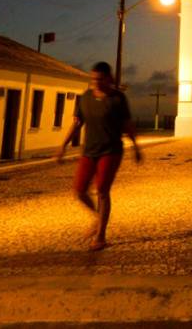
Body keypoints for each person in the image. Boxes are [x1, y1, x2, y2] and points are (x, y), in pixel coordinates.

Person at [55, 61, 141, 251]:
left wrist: (136, 147)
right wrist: (63, 145)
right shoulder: (85, 97)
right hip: (89, 151)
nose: (95, 82)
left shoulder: (118, 98)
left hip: (111, 151)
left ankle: (101, 236)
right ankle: (97, 217)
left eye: (100, 79)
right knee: (79, 191)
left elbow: (127, 124)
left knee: (102, 190)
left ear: (109, 79)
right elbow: (77, 124)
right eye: (93, 79)